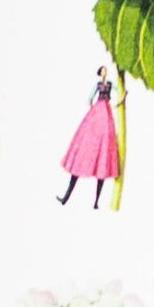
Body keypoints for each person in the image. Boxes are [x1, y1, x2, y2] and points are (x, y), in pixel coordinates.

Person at [59, 67, 122, 205]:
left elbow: (120, 90)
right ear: (100, 73)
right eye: (103, 70)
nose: (105, 72)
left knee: (104, 150)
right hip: (99, 110)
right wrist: (93, 109)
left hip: (105, 111)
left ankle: (96, 202)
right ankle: (66, 197)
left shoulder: (110, 84)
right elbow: (89, 98)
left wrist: (120, 100)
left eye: (106, 70)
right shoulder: (98, 85)